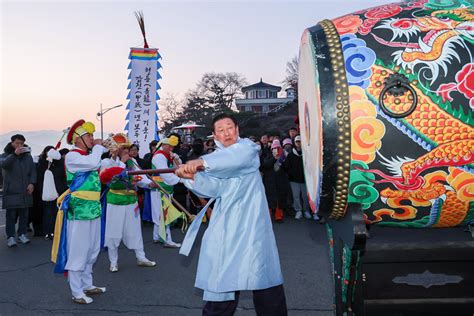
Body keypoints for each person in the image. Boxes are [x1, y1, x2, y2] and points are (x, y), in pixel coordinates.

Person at [175, 113, 287, 315]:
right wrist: (190, 177)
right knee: (221, 286)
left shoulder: (247, 149)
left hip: (253, 228)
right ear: (215, 136)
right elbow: (213, 188)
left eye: (229, 128)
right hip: (226, 228)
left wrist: (200, 162)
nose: (226, 133)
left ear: (237, 129)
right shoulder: (215, 162)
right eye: (221, 130)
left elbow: (233, 160)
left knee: (265, 283)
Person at [59, 119, 108, 304]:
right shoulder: (73, 156)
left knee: (92, 249)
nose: (92, 139)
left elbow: (99, 168)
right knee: (79, 250)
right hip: (79, 210)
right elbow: (93, 163)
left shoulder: (87, 156)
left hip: (94, 209)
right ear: (78, 139)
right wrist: (97, 148)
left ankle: (87, 284)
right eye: (88, 135)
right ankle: (76, 291)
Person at [100, 134, 156, 272]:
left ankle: (141, 257)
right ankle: (113, 262)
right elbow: (109, 178)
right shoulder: (106, 162)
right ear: (116, 149)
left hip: (131, 200)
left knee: (135, 230)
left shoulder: (132, 163)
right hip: (115, 201)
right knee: (113, 231)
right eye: (123, 148)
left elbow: (140, 177)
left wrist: (150, 184)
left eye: (127, 148)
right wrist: (123, 163)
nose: (126, 151)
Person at [0, 134, 37, 247]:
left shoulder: (28, 156)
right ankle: (10, 237)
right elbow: (4, 165)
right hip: (11, 190)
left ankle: (22, 234)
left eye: (21, 143)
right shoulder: (5, 155)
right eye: (17, 143)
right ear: (12, 143)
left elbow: (33, 171)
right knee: (11, 215)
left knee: (24, 214)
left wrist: (32, 183)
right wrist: (14, 155)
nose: (19, 145)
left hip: (25, 191)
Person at [149, 136, 184, 248]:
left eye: (172, 147)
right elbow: (165, 174)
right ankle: (167, 239)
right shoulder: (159, 156)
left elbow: (178, 167)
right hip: (160, 188)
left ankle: (157, 236)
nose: (171, 148)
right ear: (163, 145)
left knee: (160, 214)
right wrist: (181, 180)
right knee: (164, 214)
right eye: (169, 146)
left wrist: (176, 158)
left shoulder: (166, 155)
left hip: (165, 188)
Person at [283, 135, 318, 220]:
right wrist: (291, 174)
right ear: (294, 143)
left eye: (300, 142)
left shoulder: (306, 154)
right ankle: (298, 211)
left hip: (304, 179)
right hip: (294, 180)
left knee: (305, 196)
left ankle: (306, 211)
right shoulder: (291, 155)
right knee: (296, 196)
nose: (298, 143)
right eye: (297, 142)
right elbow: (286, 167)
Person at [36, 145, 68, 240]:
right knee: (48, 212)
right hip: (48, 191)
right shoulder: (42, 163)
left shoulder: (59, 162)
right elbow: (40, 178)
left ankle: (57, 231)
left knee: (57, 212)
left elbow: (63, 176)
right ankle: (48, 231)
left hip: (58, 190)